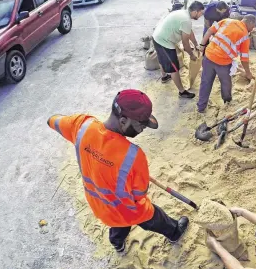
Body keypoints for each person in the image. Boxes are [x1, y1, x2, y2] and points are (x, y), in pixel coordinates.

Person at [48, 90, 189, 253]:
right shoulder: (134, 156)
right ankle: (174, 232)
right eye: (141, 124)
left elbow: (53, 121)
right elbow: (139, 196)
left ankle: (117, 244)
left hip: (99, 205)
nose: (143, 129)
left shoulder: (82, 126)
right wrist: (135, 173)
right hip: (128, 210)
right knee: (153, 216)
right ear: (123, 121)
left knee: (117, 225)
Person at [197, 14, 256, 113]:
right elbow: (244, 58)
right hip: (223, 63)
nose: (252, 29)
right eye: (253, 26)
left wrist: (202, 45)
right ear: (249, 23)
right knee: (226, 84)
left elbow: (209, 31)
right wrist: (248, 73)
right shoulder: (245, 36)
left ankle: (201, 107)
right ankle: (227, 102)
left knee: (205, 82)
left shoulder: (227, 21)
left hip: (209, 56)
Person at [152, 1, 204, 99]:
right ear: (195, 12)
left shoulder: (183, 13)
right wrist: (191, 55)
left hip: (157, 36)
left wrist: (196, 44)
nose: (201, 15)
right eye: (201, 13)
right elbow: (185, 43)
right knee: (174, 68)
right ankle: (182, 91)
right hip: (164, 42)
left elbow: (189, 32)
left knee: (162, 58)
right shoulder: (186, 21)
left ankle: (164, 76)